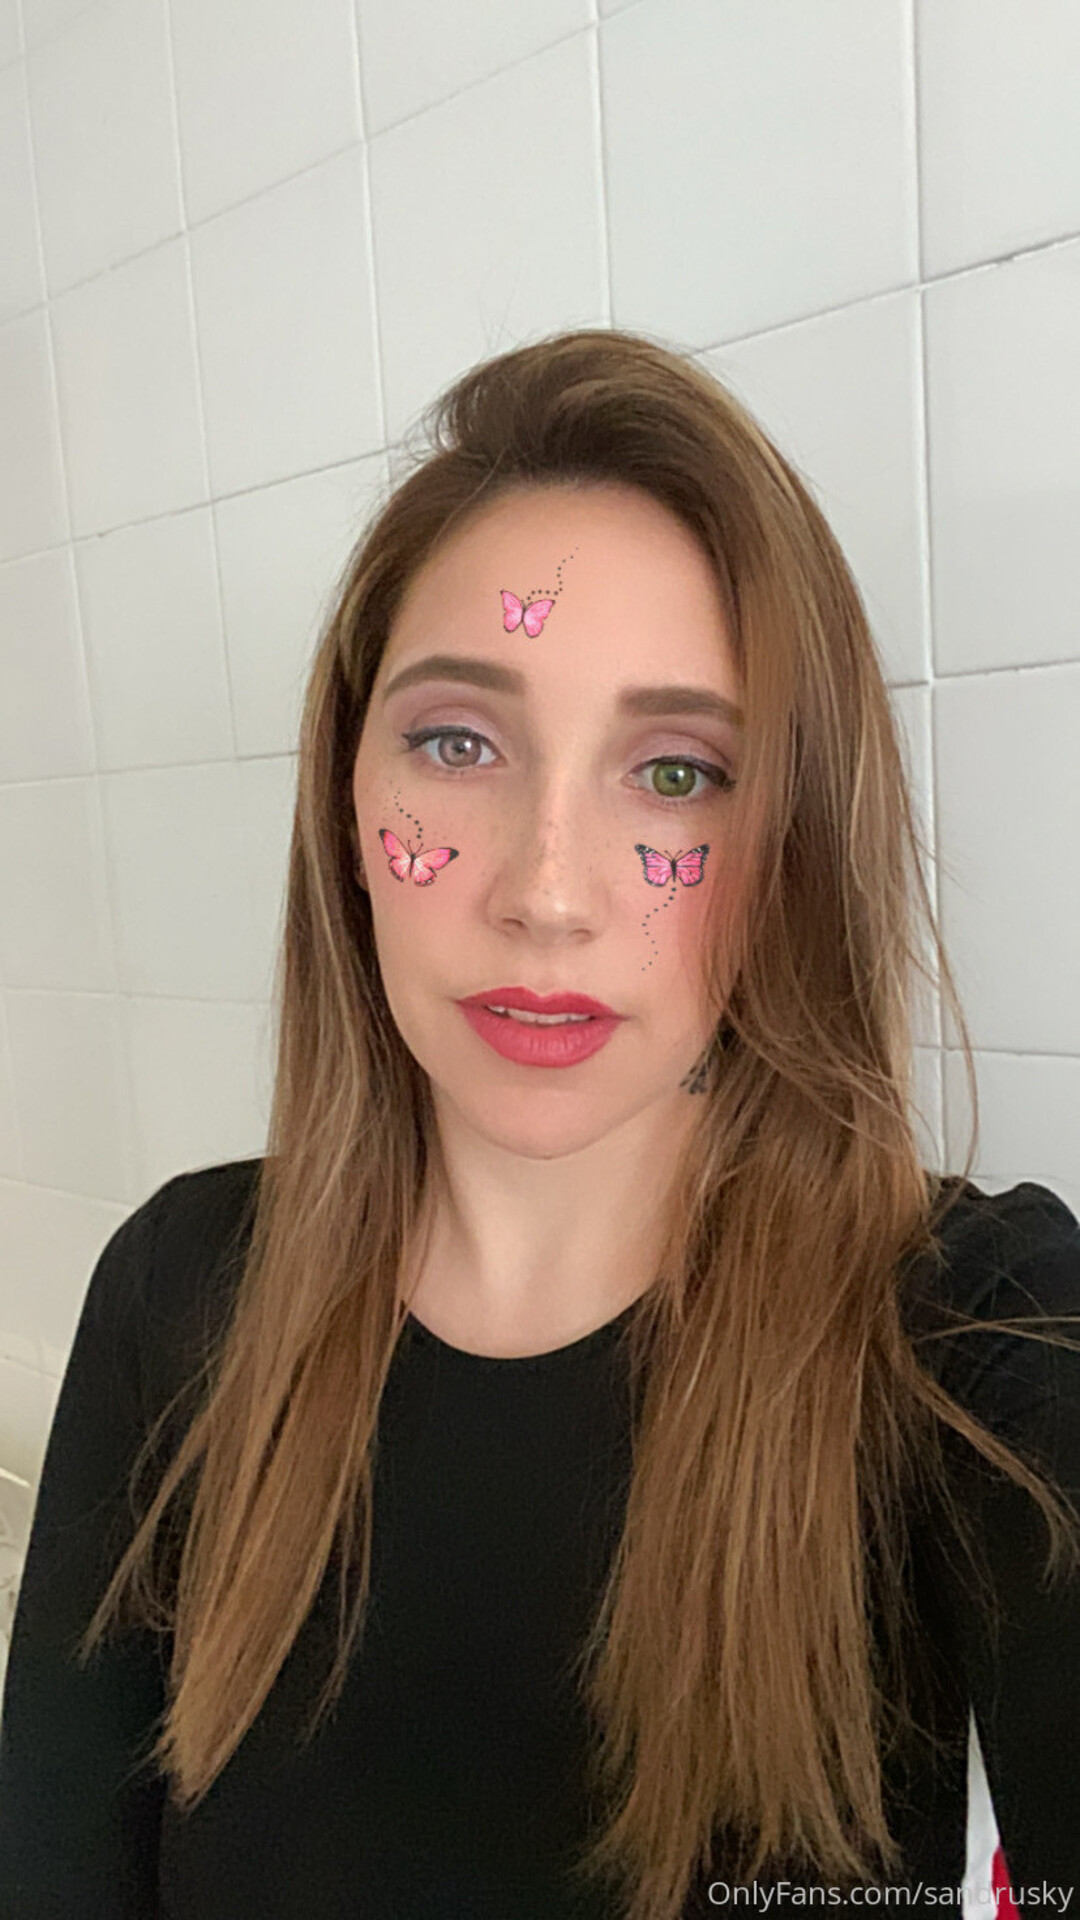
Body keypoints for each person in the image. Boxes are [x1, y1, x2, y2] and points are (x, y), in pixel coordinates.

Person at [1, 328, 1079, 1920]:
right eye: (458, 743)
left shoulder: (973, 1334)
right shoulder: (179, 1288)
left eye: (678, 771)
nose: (548, 894)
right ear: (346, 801)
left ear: (792, 840)